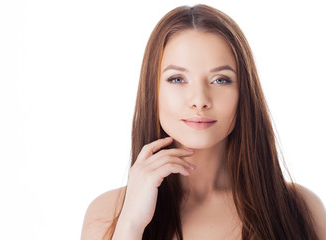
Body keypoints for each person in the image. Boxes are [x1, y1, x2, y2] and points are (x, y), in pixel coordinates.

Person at [81, 4, 326, 240]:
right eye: (177, 79)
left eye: (220, 80)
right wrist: (131, 224)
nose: (199, 100)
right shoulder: (108, 214)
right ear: (152, 90)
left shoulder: (300, 208)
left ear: (245, 92)